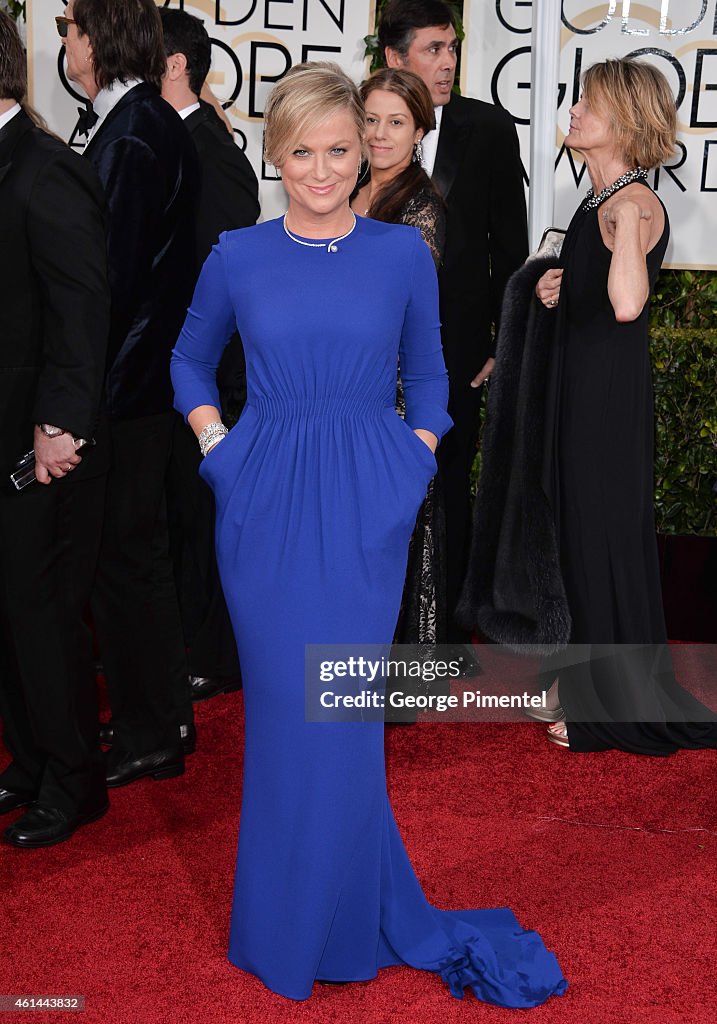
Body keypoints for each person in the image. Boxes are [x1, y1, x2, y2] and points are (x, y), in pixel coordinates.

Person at [171, 61, 566, 1004]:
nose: (320, 169)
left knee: (340, 716)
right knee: (282, 715)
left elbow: (430, 380)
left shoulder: (398, 256)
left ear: (367, 153)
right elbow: (187, 362)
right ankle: (293, 922)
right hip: (262, 504)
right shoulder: (236, 253)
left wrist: (411, 460)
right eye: (301, 151)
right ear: (274, 155)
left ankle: (341, 922)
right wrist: (221, 451)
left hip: (366, 507)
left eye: (338, 150)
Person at [533, 58, 717, 754]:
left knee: (601, 544)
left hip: (603, 405)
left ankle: (601, 711)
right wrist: (559, 285)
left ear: (625, 123)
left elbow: (628, 302)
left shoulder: (628, 202)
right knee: (579, 541)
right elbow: (595, 291)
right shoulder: (597, 199)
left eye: (589, 103)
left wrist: (630, 226)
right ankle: (582, 685)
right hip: (580, 391)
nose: (573, 111)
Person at [59, 0, 199, 786]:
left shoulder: (138, 130)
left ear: (99, 39)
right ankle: (157, 719)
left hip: (129, 385)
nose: (66, 44)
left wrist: (82, 388)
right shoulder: (132, 120)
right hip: (137, 381)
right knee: (131, 558)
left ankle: (153, 729)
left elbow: (109, 280)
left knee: (126, 560)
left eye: (72, 29)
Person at [379, 0, 529, 646]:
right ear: (393, 57)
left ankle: (444, 632)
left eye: (451, 48)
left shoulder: (488, 128)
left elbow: (511, 249)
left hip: (458, 351)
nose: (446, 62)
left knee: (446, 488)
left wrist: (500, 340)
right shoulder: (369, 128)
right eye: (432, 49)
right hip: (376, 356)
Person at [0, 10, 110, 847]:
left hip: (35, 442)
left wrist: (61, 426)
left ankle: (74, 782)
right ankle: (31, 761)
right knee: (7, 611)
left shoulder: (45, 172)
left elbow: (82, 309)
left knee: (40, 612)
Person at [160, 6, 260, 703]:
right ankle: (180, 645)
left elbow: (222, 269)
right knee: (173, 514)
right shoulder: (168, 137)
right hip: (168, 365)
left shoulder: (211, 148)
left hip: (208, 373)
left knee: (203, 517)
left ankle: (214, 654)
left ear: (173, 65)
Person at [352, 68, 447, 646]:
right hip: (348, 380)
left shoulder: (422, 209)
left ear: (419, 132)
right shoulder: (346, 184)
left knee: (394, 530)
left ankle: (396, 672)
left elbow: (406, 312)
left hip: (393, 396)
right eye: (370, 119)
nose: (380, 134)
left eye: (396, 122)